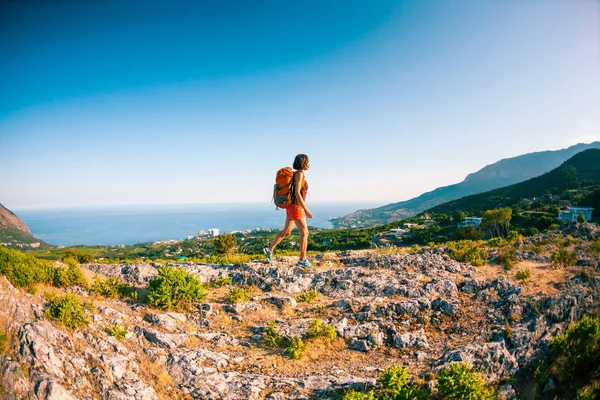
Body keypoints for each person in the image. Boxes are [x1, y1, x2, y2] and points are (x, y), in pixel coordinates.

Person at [264, 154, 313, 267]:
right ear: (303, 162)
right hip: (296, 207)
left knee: (286, 232)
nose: (309, 164)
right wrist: (306, 209)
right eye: (308, 162)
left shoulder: (296, 174)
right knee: (305, 232)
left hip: (291, 206)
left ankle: (269, 249)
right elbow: (296, 193)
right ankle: (302, 259)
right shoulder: (299, 174)